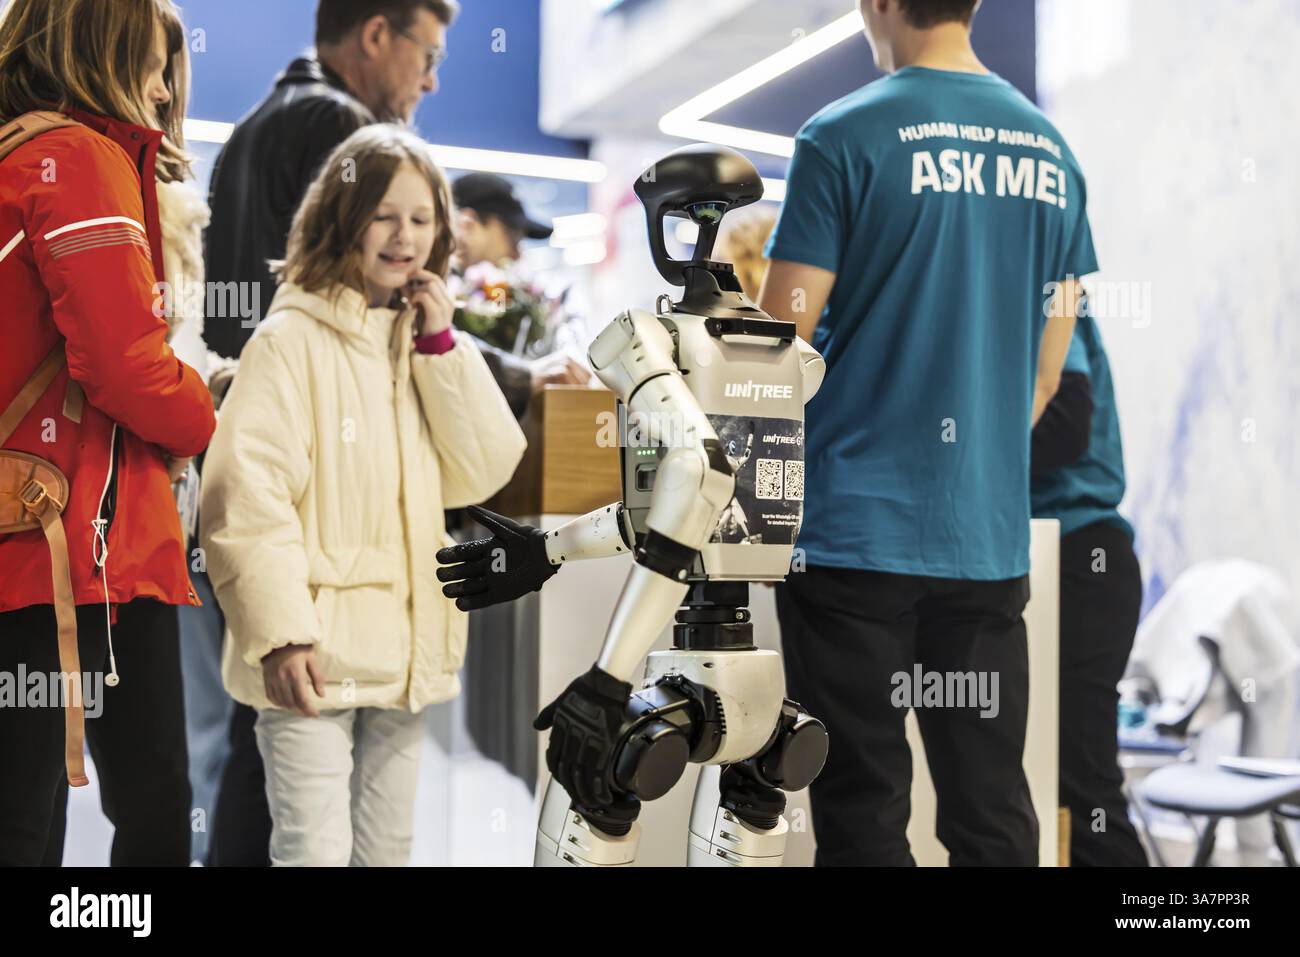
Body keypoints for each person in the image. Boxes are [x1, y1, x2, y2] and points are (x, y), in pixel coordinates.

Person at [758, 0, 1092, 865]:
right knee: (990, 803)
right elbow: (1048, 371)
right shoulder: (1051, 151)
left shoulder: (841, 135)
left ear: (877, 4)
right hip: (985, 541)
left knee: (864, 805)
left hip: (851, 538)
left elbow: (776, 346)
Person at [200, 124, 526, 866]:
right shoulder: (289, 341)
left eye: (421, 218)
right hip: (311, 653)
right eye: (384, 213)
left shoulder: (418, 338)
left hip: (403, 654)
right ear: (341, 217)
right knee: (312, 853)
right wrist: (281, 631)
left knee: (386, 854)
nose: (404, 236)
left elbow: (482, 468)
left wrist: (443, 347)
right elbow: (243, 497)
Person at [0, 0, 215, 866]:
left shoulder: (18, 149)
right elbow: (128, 364)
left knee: (27, 808)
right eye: (152, 64)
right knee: (145, 802)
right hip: (72, 542)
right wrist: (201, 413)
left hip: (47, 531)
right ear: (100, 49)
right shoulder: (79, 158)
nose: (164, 90)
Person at [1030, 312, 1148, 866]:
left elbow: (1064, 424)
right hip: (1058, 558)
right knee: (1059, 783)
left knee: (1083, 785)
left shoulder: (1044, 296)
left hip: (1082, 562)